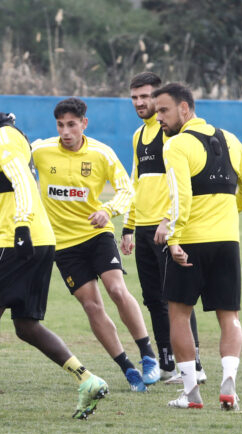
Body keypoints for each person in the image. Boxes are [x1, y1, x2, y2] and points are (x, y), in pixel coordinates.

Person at [0, 79, 108, 418]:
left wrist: (21, 227)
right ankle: (87, 379)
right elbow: (17, 190)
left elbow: (24, 184)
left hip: (21, 239)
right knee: (26, 325)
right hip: (36, 238)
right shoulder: (5, 135)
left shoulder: (2, 138)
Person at [32, 97, 155, 392]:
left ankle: (148, 355)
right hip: (63, 246)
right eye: (60, 125)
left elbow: (127, 190)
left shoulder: (102, 153)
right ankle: (127, 368)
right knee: (91, 305)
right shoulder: (40, 151)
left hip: (97, 235)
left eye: (71, 125)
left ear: (84, 123)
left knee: (116, 290)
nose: (66, 132)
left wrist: (108, 210)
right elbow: (10, 159)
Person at [151, 83, 242, 410]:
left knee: (179, 315)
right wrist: (223, 215)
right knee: (230, 316)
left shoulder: (177, 145)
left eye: (164, 110)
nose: (159, 118)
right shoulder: (232, 140)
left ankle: (191, 392)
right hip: (227, 241)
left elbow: (180, 198)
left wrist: (174, 238)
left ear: (184, 108)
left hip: (191, 242)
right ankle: (229, 384)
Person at [121, 72, 206, 384]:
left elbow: (181, 183)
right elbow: (136, 182)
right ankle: (168, 363)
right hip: (143, 228)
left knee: (177, 299)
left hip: (165, 227)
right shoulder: (138, 135)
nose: (140, 102)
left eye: (146, 96)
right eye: (135, 97)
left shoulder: (171, 132)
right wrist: (128, 226)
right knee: (153, 299)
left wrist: (169, 219)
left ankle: (195, 364)